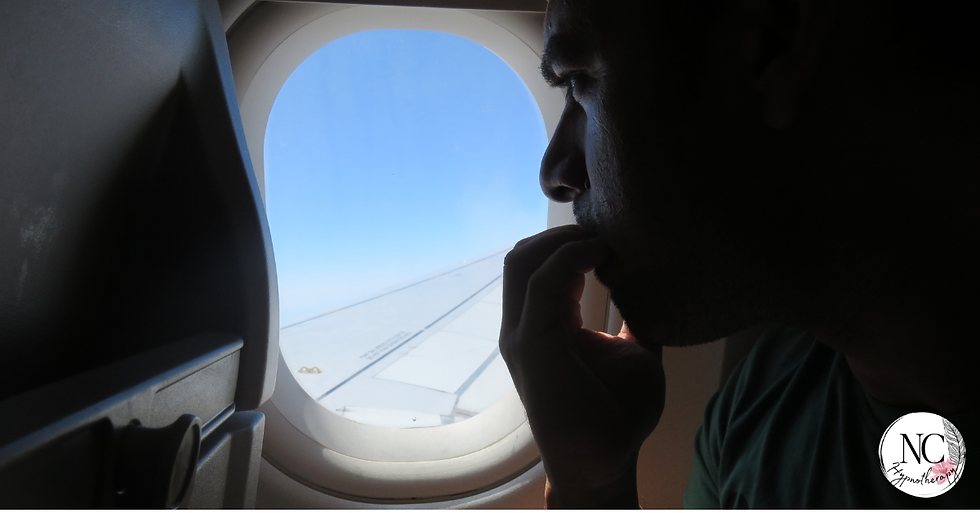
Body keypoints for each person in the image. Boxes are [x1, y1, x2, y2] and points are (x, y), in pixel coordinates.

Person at [498, 0, 979, 508]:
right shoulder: (759, 397)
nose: (556, 173)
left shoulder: (765, 408)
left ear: (768, 46)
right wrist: (593, 483)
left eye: (579, 81)